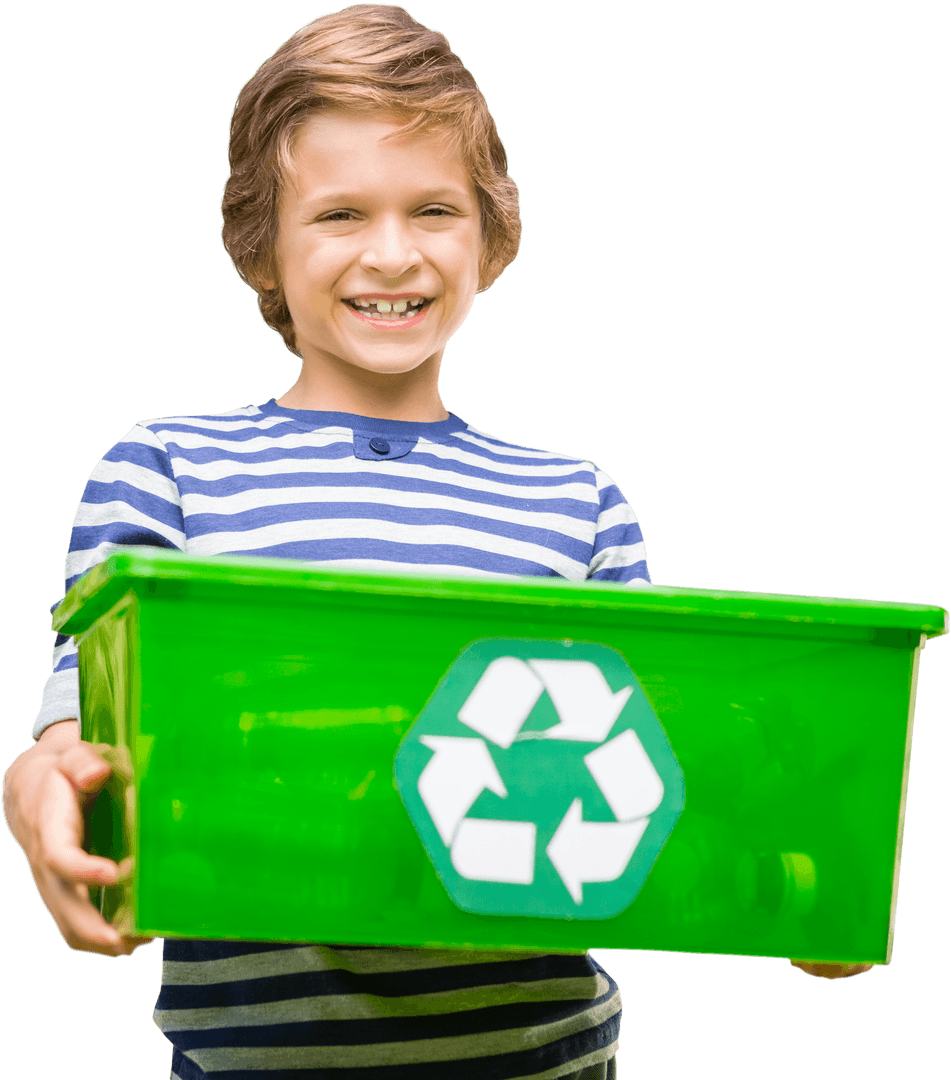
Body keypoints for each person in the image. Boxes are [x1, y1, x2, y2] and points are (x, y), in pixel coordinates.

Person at [0, 5, 869, 1079]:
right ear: (258, 241)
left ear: (491, 236)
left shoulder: (576, 503)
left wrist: (791, 895)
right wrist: (37, 792)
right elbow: (74, 735)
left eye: (435, 210)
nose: (393, 253)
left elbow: (654, 784)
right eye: (339, 214)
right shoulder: (172, 469)